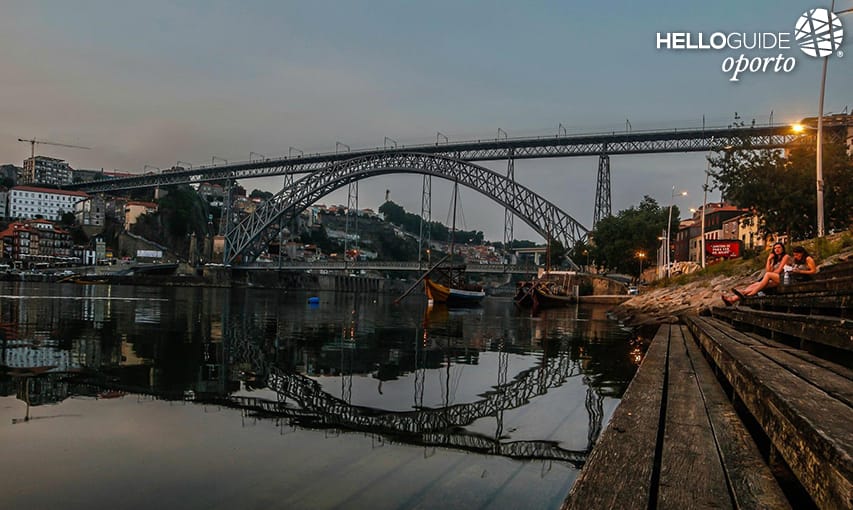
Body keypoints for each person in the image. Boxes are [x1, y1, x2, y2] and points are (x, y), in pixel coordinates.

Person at [722, 242, 791, 305]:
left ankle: (751, 294)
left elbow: (778, 271)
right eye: (775, 248)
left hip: (785, 279)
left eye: (779, 247)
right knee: (754, 285)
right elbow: (768, 270)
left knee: (767, 276)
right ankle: (733, 299)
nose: (777, 249)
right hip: (776, 280)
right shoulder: (775, 259)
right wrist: (769, 260)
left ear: (783, 249)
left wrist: (771, 273)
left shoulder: (786, 257)